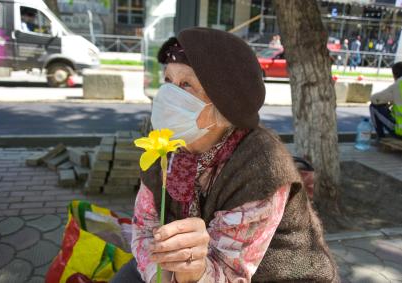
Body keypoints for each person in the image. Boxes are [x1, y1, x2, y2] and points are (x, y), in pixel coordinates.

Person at [110, 27, 338, 283]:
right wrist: (160, 277)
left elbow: (230, 274)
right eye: (168, 81)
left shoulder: (261, 167)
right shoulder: (164, 146)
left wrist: (191, 273)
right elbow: (144, 228)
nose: (168, 95)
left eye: (186, 84)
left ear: (223, 104)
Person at [369, 62, 402, 140]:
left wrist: (387, 102)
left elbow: (375, 99)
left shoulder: (398, 84)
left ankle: (380, 137)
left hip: (400, 131)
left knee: (373, 107)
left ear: (394, 75)